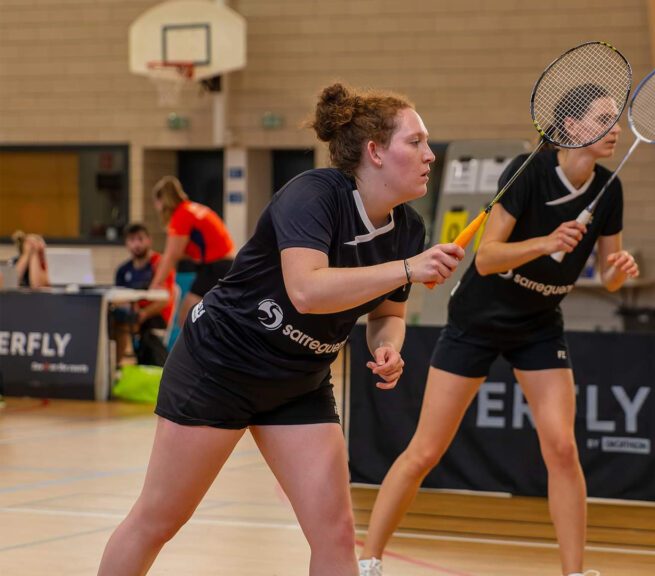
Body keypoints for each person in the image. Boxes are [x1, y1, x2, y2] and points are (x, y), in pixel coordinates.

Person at [97, 82, 464, 576]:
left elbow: (386, 317)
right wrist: (406, 270)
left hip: (300, 381)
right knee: (159, 519)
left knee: (334, 533)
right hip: (220, 366)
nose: (429, 155)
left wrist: (387, 348)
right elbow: (307, 290)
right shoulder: (314, 195)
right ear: (375, 152)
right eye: (415, 142)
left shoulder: (408, 230)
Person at [359, 84, 639, 576]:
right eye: (603, 118)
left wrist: (620, 268)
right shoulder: (527, 173)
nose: (615, 127)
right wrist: (546, 241)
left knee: (562, 446)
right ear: (571, 127)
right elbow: (486, 259)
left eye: (616, 119)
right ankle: (368, 559)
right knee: (425, 450)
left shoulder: (608, 189)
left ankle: (575, 572)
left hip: (540, 324)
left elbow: (609, 276)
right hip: (479, 320)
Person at [147, 175, 235, 327]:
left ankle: (192, 350)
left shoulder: (181, 215)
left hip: (216, 267)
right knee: (205, 316)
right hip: (224, 264)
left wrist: (155, 285)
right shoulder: (192, 209)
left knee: (187, 316)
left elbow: (171, 255)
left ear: (162, 201)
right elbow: (184, 251)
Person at [111, 223, 175, 366]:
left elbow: (165, 299)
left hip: (154, 316)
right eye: (132, 240)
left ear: (149, 240)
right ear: (126, 243)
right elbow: (118, 297)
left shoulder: (159, 264)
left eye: (140, 239)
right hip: (132, 314)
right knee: (109, 321)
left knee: (120, 325)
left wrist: (143, 313)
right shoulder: (122, 270)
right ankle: (112, 368)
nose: (137, 244)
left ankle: (115, 365)